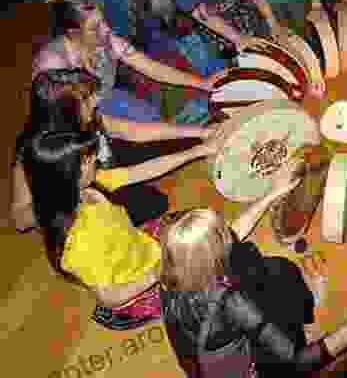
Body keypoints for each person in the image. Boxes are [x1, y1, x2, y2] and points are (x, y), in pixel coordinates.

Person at [159, 152, 347, 378]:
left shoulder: (173, 269)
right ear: (213, 258)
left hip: (214, 343)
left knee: (277, 269)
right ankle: (303, 327)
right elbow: (296, 362)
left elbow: (230, 234)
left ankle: (301, 313)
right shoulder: (232, 305)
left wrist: (273, 194)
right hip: (246, 368)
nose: (227, 230)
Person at [22, 120, 228, 330]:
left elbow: (143, 171)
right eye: (86, 159)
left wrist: (198, 150)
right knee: (211, 281)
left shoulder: (88, 188)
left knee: (200, 227)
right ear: (67, 174)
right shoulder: (79, 244)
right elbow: (109, 297)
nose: (95, 158)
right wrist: (157, 273)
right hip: (139, 283)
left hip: (141, 246)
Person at [11, 68, 222, 233]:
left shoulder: (87, 118)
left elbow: (131, 131)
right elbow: (20, 219)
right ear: (64, 112)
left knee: (159, 149)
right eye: (86, 100)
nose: (96, 101)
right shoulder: (31, 153)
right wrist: (67, 194)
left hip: (101, 170)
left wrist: (200, 132)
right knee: (153, 204)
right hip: (83, 193)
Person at [32, 0, 227, 124]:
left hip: (103, 96)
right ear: (73, 33)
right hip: (75, 115)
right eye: (95, 27)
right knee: (147, 126)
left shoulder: (109, 41)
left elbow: (151, 68)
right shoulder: (53, 66)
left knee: (151, 118)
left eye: (104, 21)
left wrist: (202, 83)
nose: (107, 30)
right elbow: (59, 118)